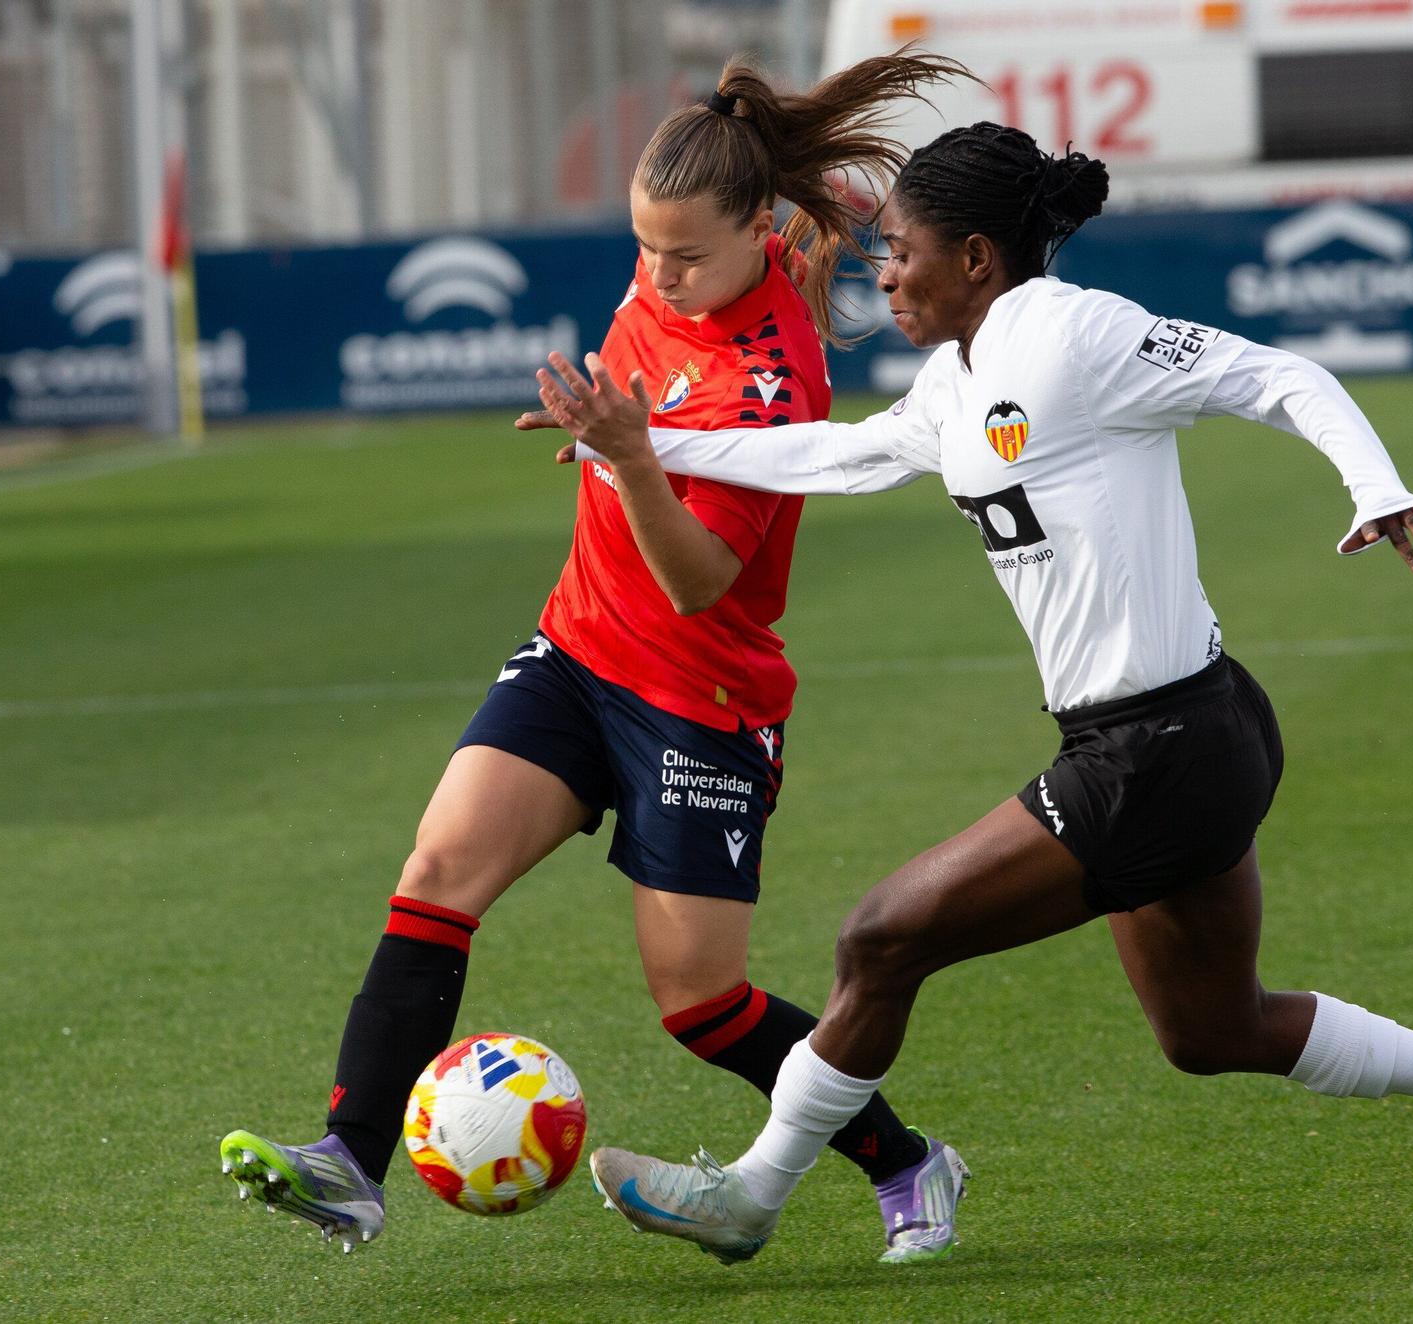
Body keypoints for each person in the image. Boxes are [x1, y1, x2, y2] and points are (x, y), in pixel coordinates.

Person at [523, 122, 1413, 1264]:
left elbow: (1275, 375)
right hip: (1181, 737)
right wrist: (634, 450)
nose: (879, 272)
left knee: (882, 937)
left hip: (1162, 746)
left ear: (978, 258)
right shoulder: (952, 383)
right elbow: (831, 456)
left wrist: (1373, 484)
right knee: (1208, 1028)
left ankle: (753, 1192)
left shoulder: (1080, 334)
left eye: (899, 250)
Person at [217, 53, 984, 1266]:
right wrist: (610, 437)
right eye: (643, 248)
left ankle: (905, 1159)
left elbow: (699, 584)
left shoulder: (775, 377)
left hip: (703, 698)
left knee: (700, 1004)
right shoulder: (667, 270)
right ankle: (351, 1163)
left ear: (753, 234)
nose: (657, 274)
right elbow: (636, 438)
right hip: (577, 650)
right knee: (438, 869)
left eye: (682, 255)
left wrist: (626, 455)